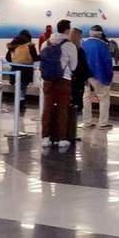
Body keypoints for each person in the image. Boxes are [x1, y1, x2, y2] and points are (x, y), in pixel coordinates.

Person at [39, 19, 77, 150]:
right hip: (64, 80)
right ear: (67, 30)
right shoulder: (69, 45)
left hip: (48, 80)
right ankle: (61, 139)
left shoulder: (45, 43)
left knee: (47, 108)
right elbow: (74, 65)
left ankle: (45, 138)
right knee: (62, 109)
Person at [82, 25, 113, 129]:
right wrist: (109, 78)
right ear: (100, 34)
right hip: (99, 74)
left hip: (86, 75)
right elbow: (107, 63)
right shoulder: (103, 45)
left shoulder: (83, 43)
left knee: (86, 98)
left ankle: (87, 122)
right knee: (104, 98)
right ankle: (103, 123)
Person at [68, 27, 91, 134]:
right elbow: (83, 66)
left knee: (67, 105)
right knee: (75, 105)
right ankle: (71, 131)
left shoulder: (65, 47)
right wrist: (88, 77)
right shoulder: (79, 50)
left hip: (66, 79)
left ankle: (65, 130)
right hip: (77, 81)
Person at [5, 30, 39, 100]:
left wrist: (14, 64)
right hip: (26, 71)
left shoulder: (13, 46)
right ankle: (20, 104)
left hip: (14, 70)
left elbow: (8, 58)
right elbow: (35, 58)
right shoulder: (30, 46)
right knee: (22, 88)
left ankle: (19, 104)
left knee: (19, 88)